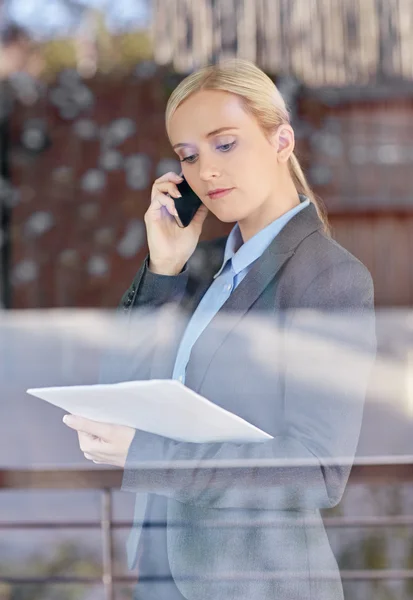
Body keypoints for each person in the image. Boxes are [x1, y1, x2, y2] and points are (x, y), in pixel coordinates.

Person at [64, 58, 377, 600]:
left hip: (256, 584)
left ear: (282, 141)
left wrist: (149, 456)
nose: (204, 171)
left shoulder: (329, 277)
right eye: (188, 156)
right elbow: (122, 392)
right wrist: (164, 269)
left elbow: (317, 473)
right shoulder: (206, 267)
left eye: (224, 144)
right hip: (165, 572)